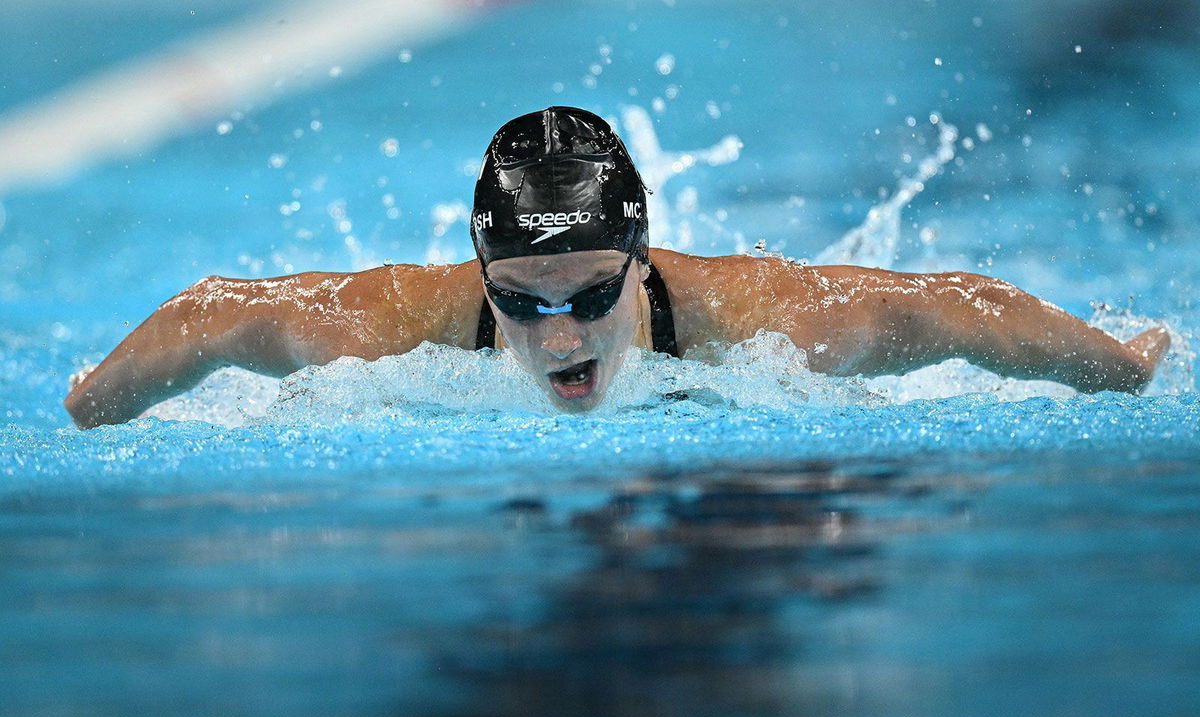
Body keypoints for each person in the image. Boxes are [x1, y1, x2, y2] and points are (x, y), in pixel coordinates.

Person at [64, 106, 1169, 428]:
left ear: (641, 266)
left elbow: (958, 309)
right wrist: (85, 403)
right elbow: (207, 315)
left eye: (591, 295)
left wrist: (1121, 366)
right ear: (480, 275)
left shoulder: (764, 324)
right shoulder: (386, 327)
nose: (557, 335)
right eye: (521, 303)